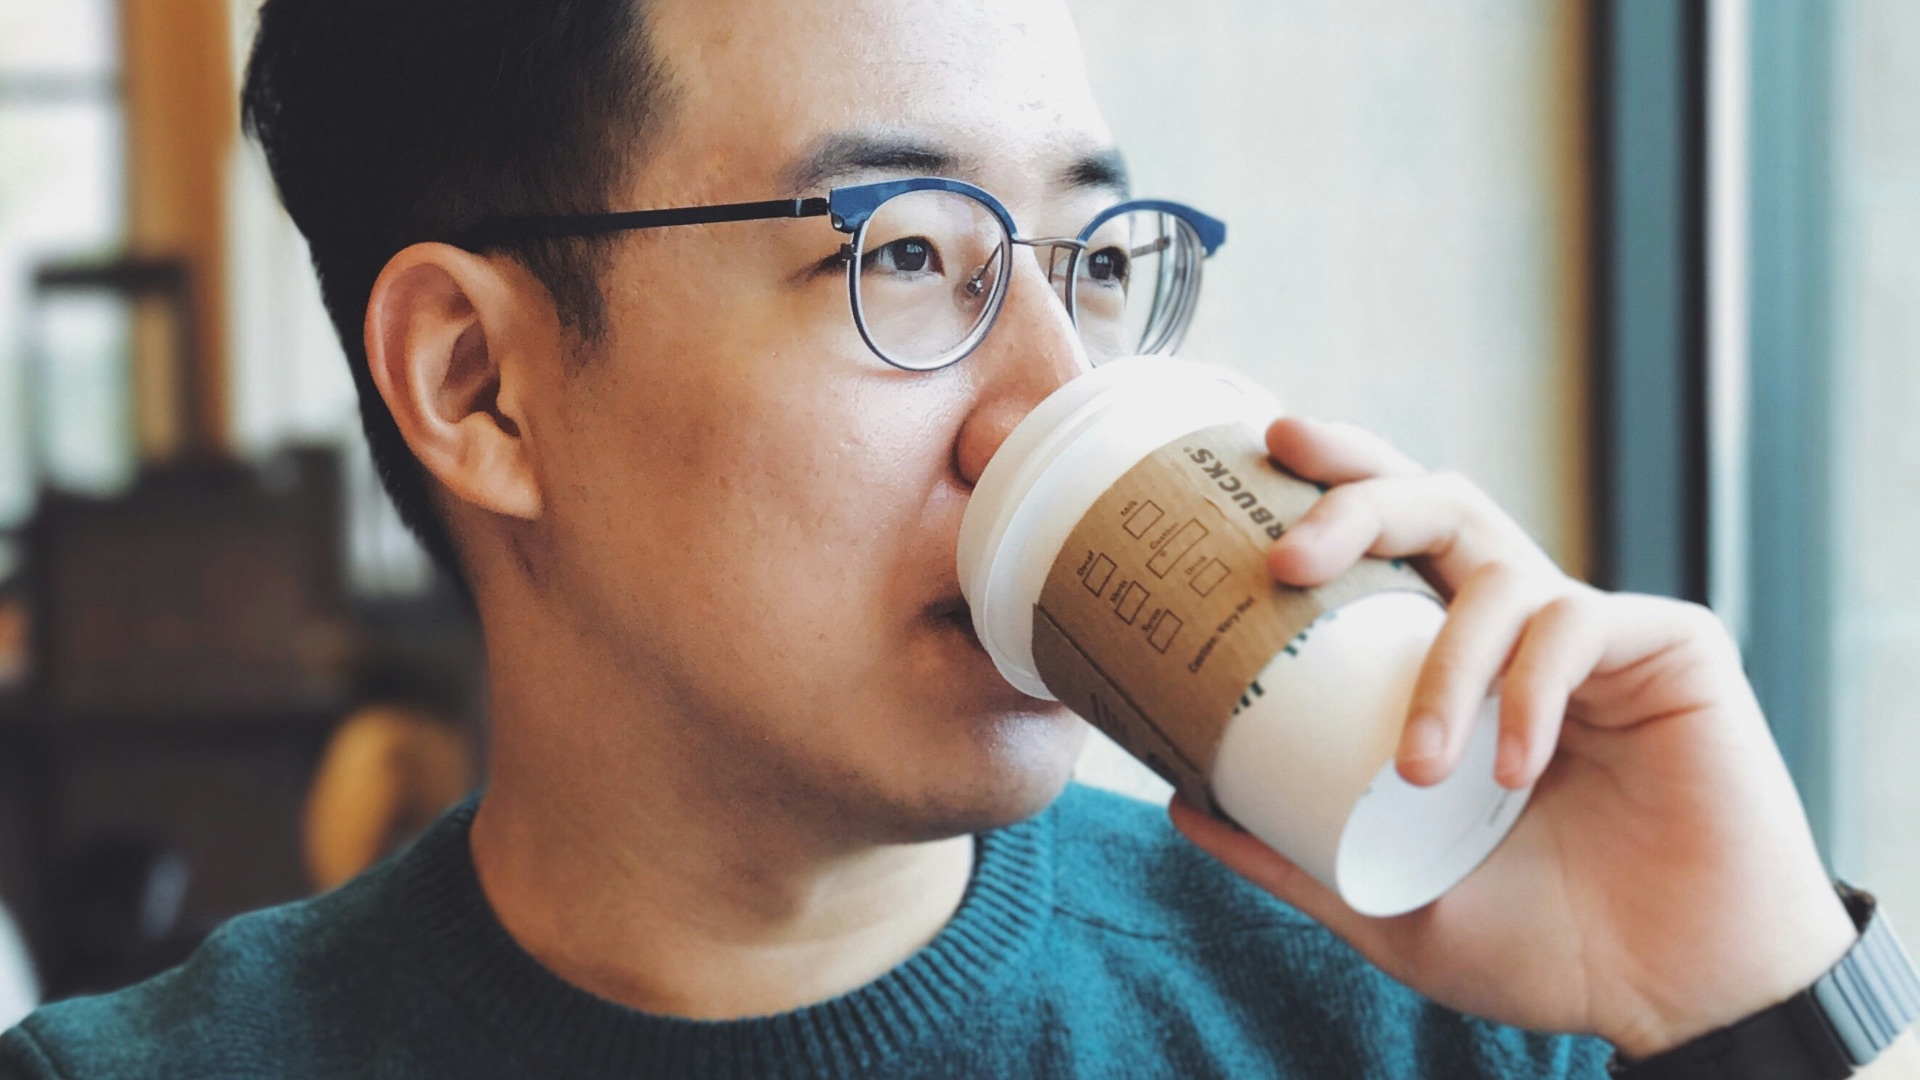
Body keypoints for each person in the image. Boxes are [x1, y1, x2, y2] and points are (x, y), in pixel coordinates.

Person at [3, 1, 1914, 1077]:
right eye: (906, 256)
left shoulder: (1428, 1005)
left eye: (1087, 254)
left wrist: (1750, 1006)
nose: (1049, 397)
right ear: (482, 386)